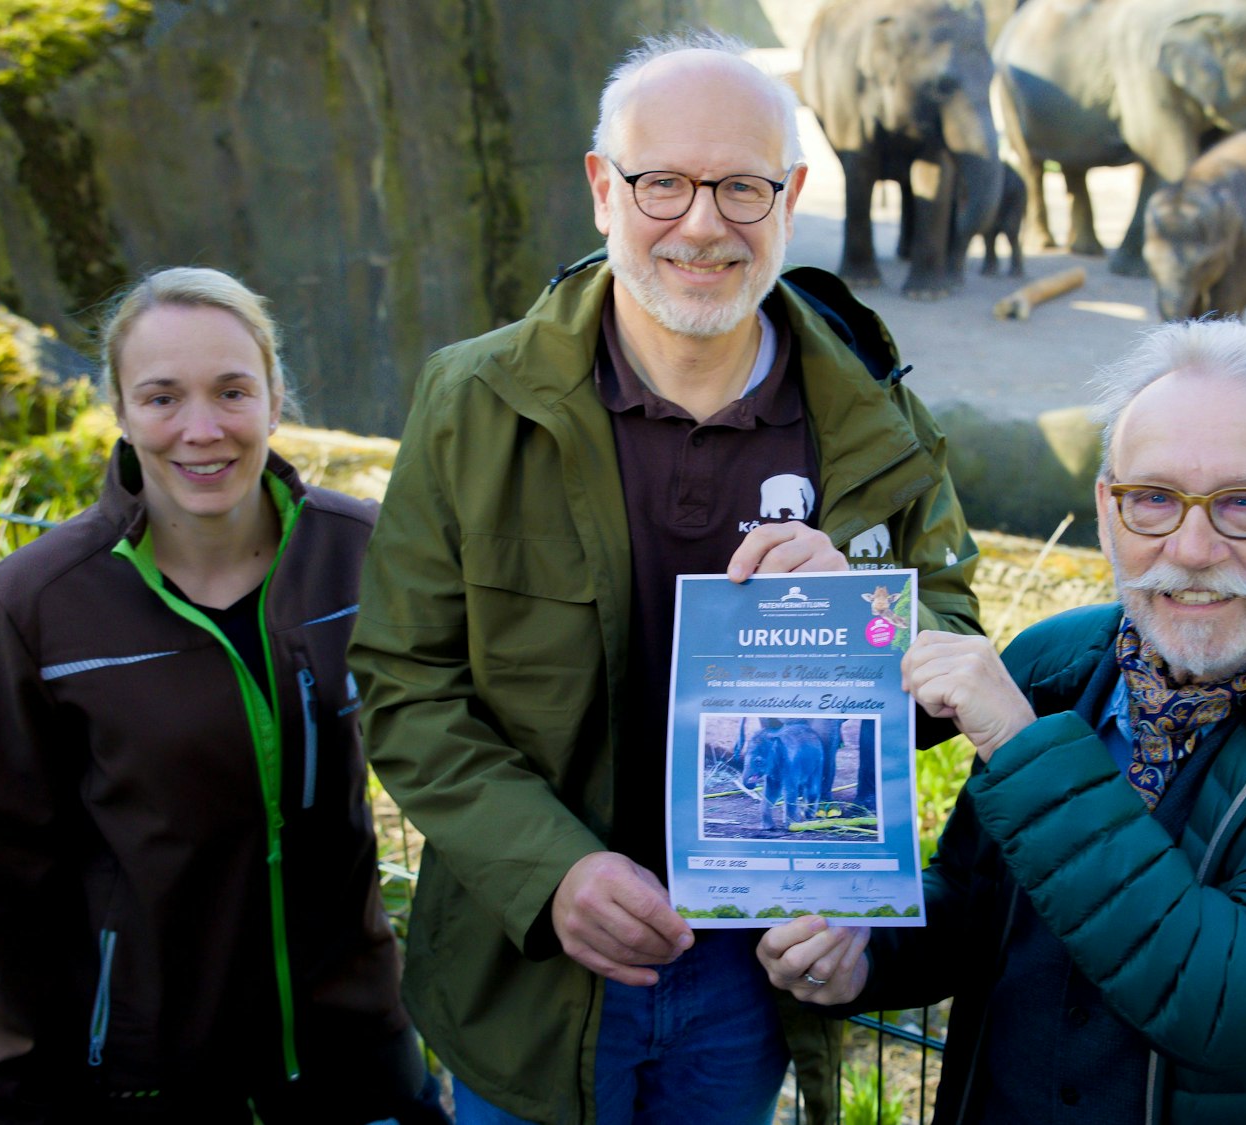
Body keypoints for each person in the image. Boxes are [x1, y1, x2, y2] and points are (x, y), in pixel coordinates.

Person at [348, 31, 981, 1125]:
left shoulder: (876, 417)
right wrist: (550, 872)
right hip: (532, 961)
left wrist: (864, 615)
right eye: (663, 184)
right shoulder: (473, 402)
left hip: (755, 973)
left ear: (789, 198)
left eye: (740, 187)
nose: (701, 224)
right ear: (604, 189)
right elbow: (406, 686)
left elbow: (954, 646)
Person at [760, 319, 1246, 1123]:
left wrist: (1020, 745)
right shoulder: (1055, 662)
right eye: (1154, 499)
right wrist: (865, 951)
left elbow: (1239, 1000)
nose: (1194, 546)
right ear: (1107, 513)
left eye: (1245, 503)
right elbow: (972, 902)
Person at [0, 268, 447, 1124]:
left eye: (231, 391)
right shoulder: (33, 605)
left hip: (357, 1051)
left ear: (275, 396)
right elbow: (6, 895)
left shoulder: (361, 551)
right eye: (161, 397)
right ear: (118, 407)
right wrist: (18, 1102)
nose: (202, 429)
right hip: (150, 1077)